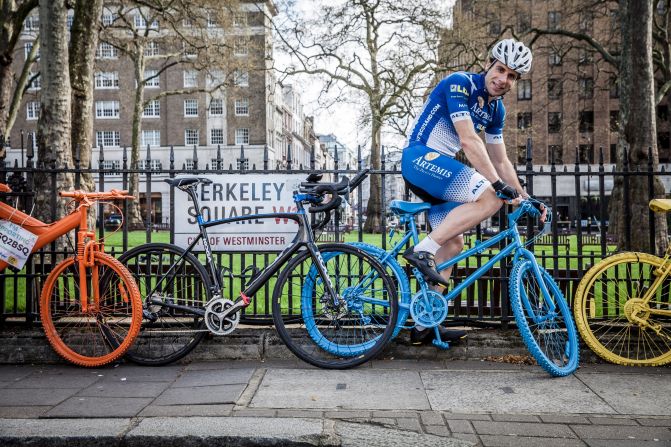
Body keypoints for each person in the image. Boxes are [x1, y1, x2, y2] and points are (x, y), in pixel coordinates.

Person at [401, 38, 545, 345]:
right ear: (488, 65)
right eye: (501, 70)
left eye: (512, 76)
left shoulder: (496, 111)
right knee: (490, 197)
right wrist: (497, 185)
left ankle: (424, 323)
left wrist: (525, 195)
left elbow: (501, 159)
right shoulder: (460, 84)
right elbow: (468, 141)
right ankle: (422, 250)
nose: (503, 79)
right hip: (420, 159)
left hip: (438, 175)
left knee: (453, 244)